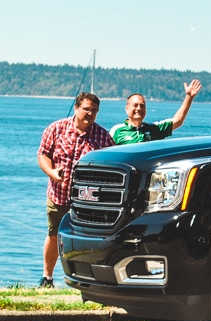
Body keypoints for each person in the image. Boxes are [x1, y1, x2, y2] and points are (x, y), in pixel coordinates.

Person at [37, 92, 115, 288]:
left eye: (94, 111)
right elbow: (43, 155)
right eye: (87, 109)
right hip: (58, 196)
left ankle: (86, 280)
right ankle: (47, 278)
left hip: (87, 203)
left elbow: (111, 166)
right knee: (54, 236)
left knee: (87, 241)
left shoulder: (103, 137)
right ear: (77, 108)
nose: (90, 114)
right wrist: (53, 172)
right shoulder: (56, 129)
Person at [110, 79, 202, 145]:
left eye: (142, 106)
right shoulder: (117, 131)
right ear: (127, 108)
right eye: (135, 105)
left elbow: (178, 121)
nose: (139, 108)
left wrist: (189, 97)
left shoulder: (154, 129)